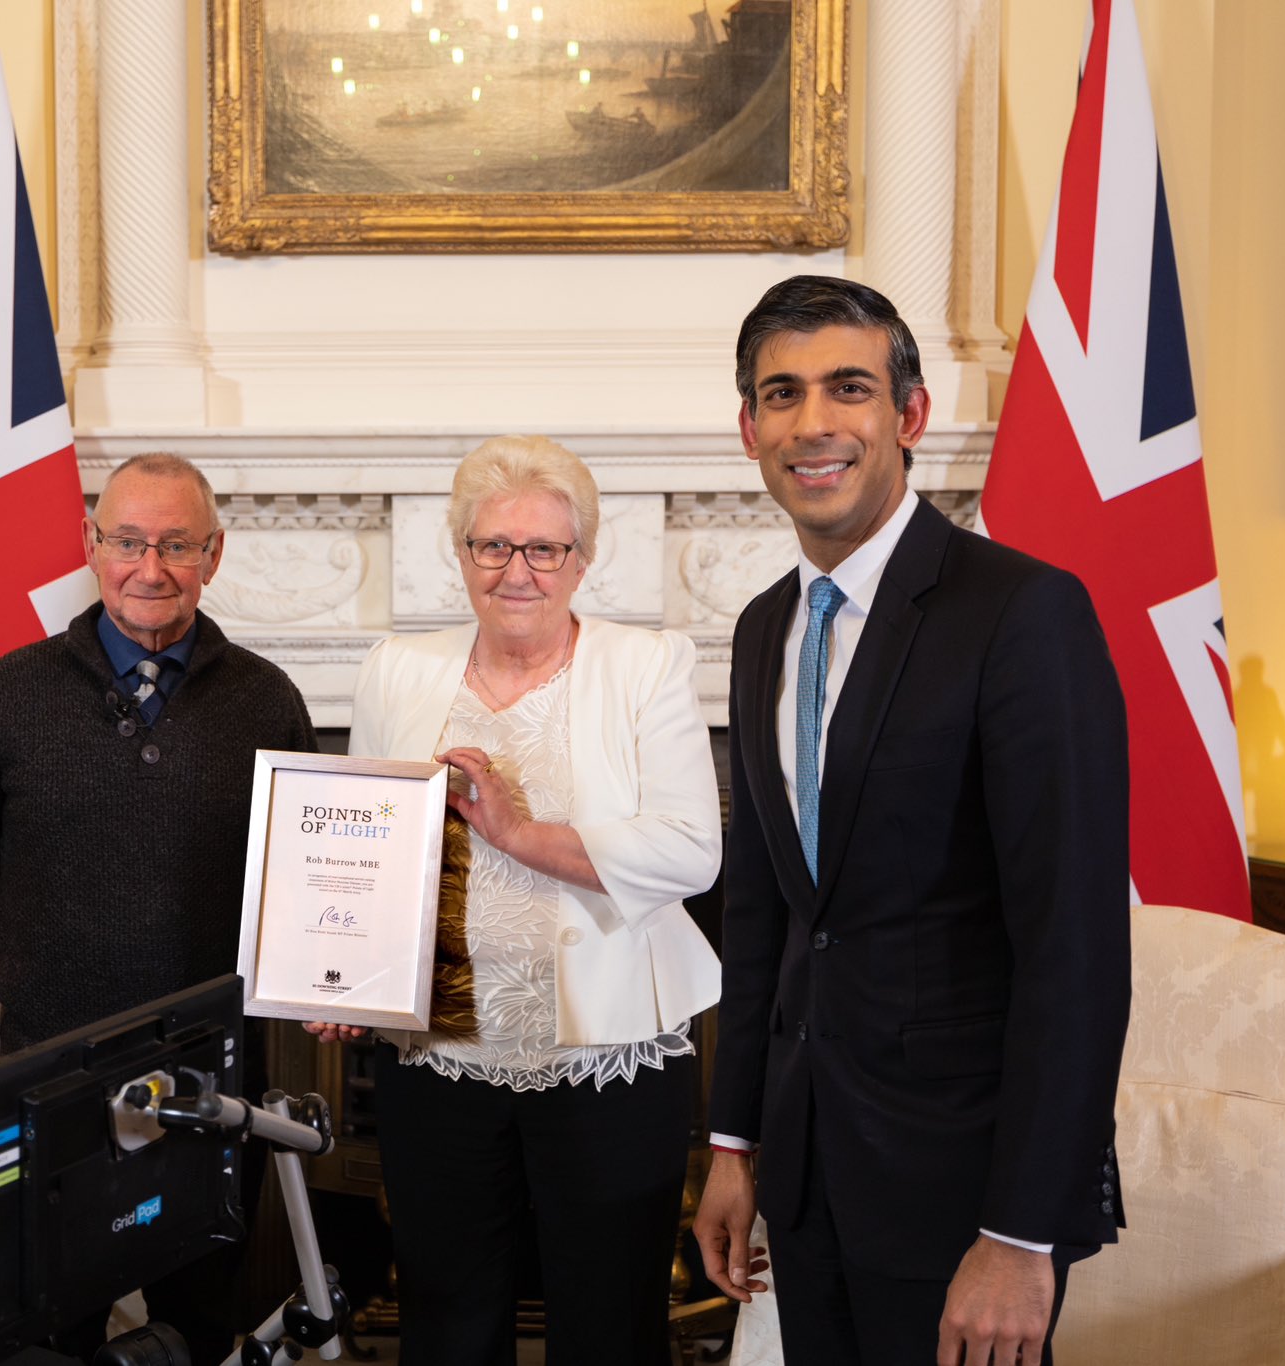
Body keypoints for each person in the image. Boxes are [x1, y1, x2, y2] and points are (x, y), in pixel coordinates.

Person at [693, 276, 1130, 1366]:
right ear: (748, 428)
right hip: (801, 1174)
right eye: (779, 394)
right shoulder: (762, 630)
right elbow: (762, 916)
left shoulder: (1021, 612)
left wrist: (1019, 1232)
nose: (812, 424)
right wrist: (735, 1141)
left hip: (963, 1191)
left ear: (909, 414)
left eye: (846, 387)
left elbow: (1071, 951)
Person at [323, 434, 723, 1364]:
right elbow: (360, 849)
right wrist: (338, 980)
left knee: (609, 1327)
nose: (518, 571)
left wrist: (517, 834)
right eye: (493, 546)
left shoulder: (647, 664)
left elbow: (693, 849)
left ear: (583, 560)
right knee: (448, 1319)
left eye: (545, 549)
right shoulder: (398, 669)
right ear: (460, 554)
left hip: (609, 1058)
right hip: (441, 1061)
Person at [0, 451, 317, 1359]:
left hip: (211, 1074)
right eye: (129, 541)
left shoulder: (267, 700)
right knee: (51, 1327)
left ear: (214, 555)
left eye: (177, 544)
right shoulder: (9, 693)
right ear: (90, 546)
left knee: (199, 1321)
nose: (152, 567)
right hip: (52, 1069)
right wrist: (44, 955)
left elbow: (302, 876)